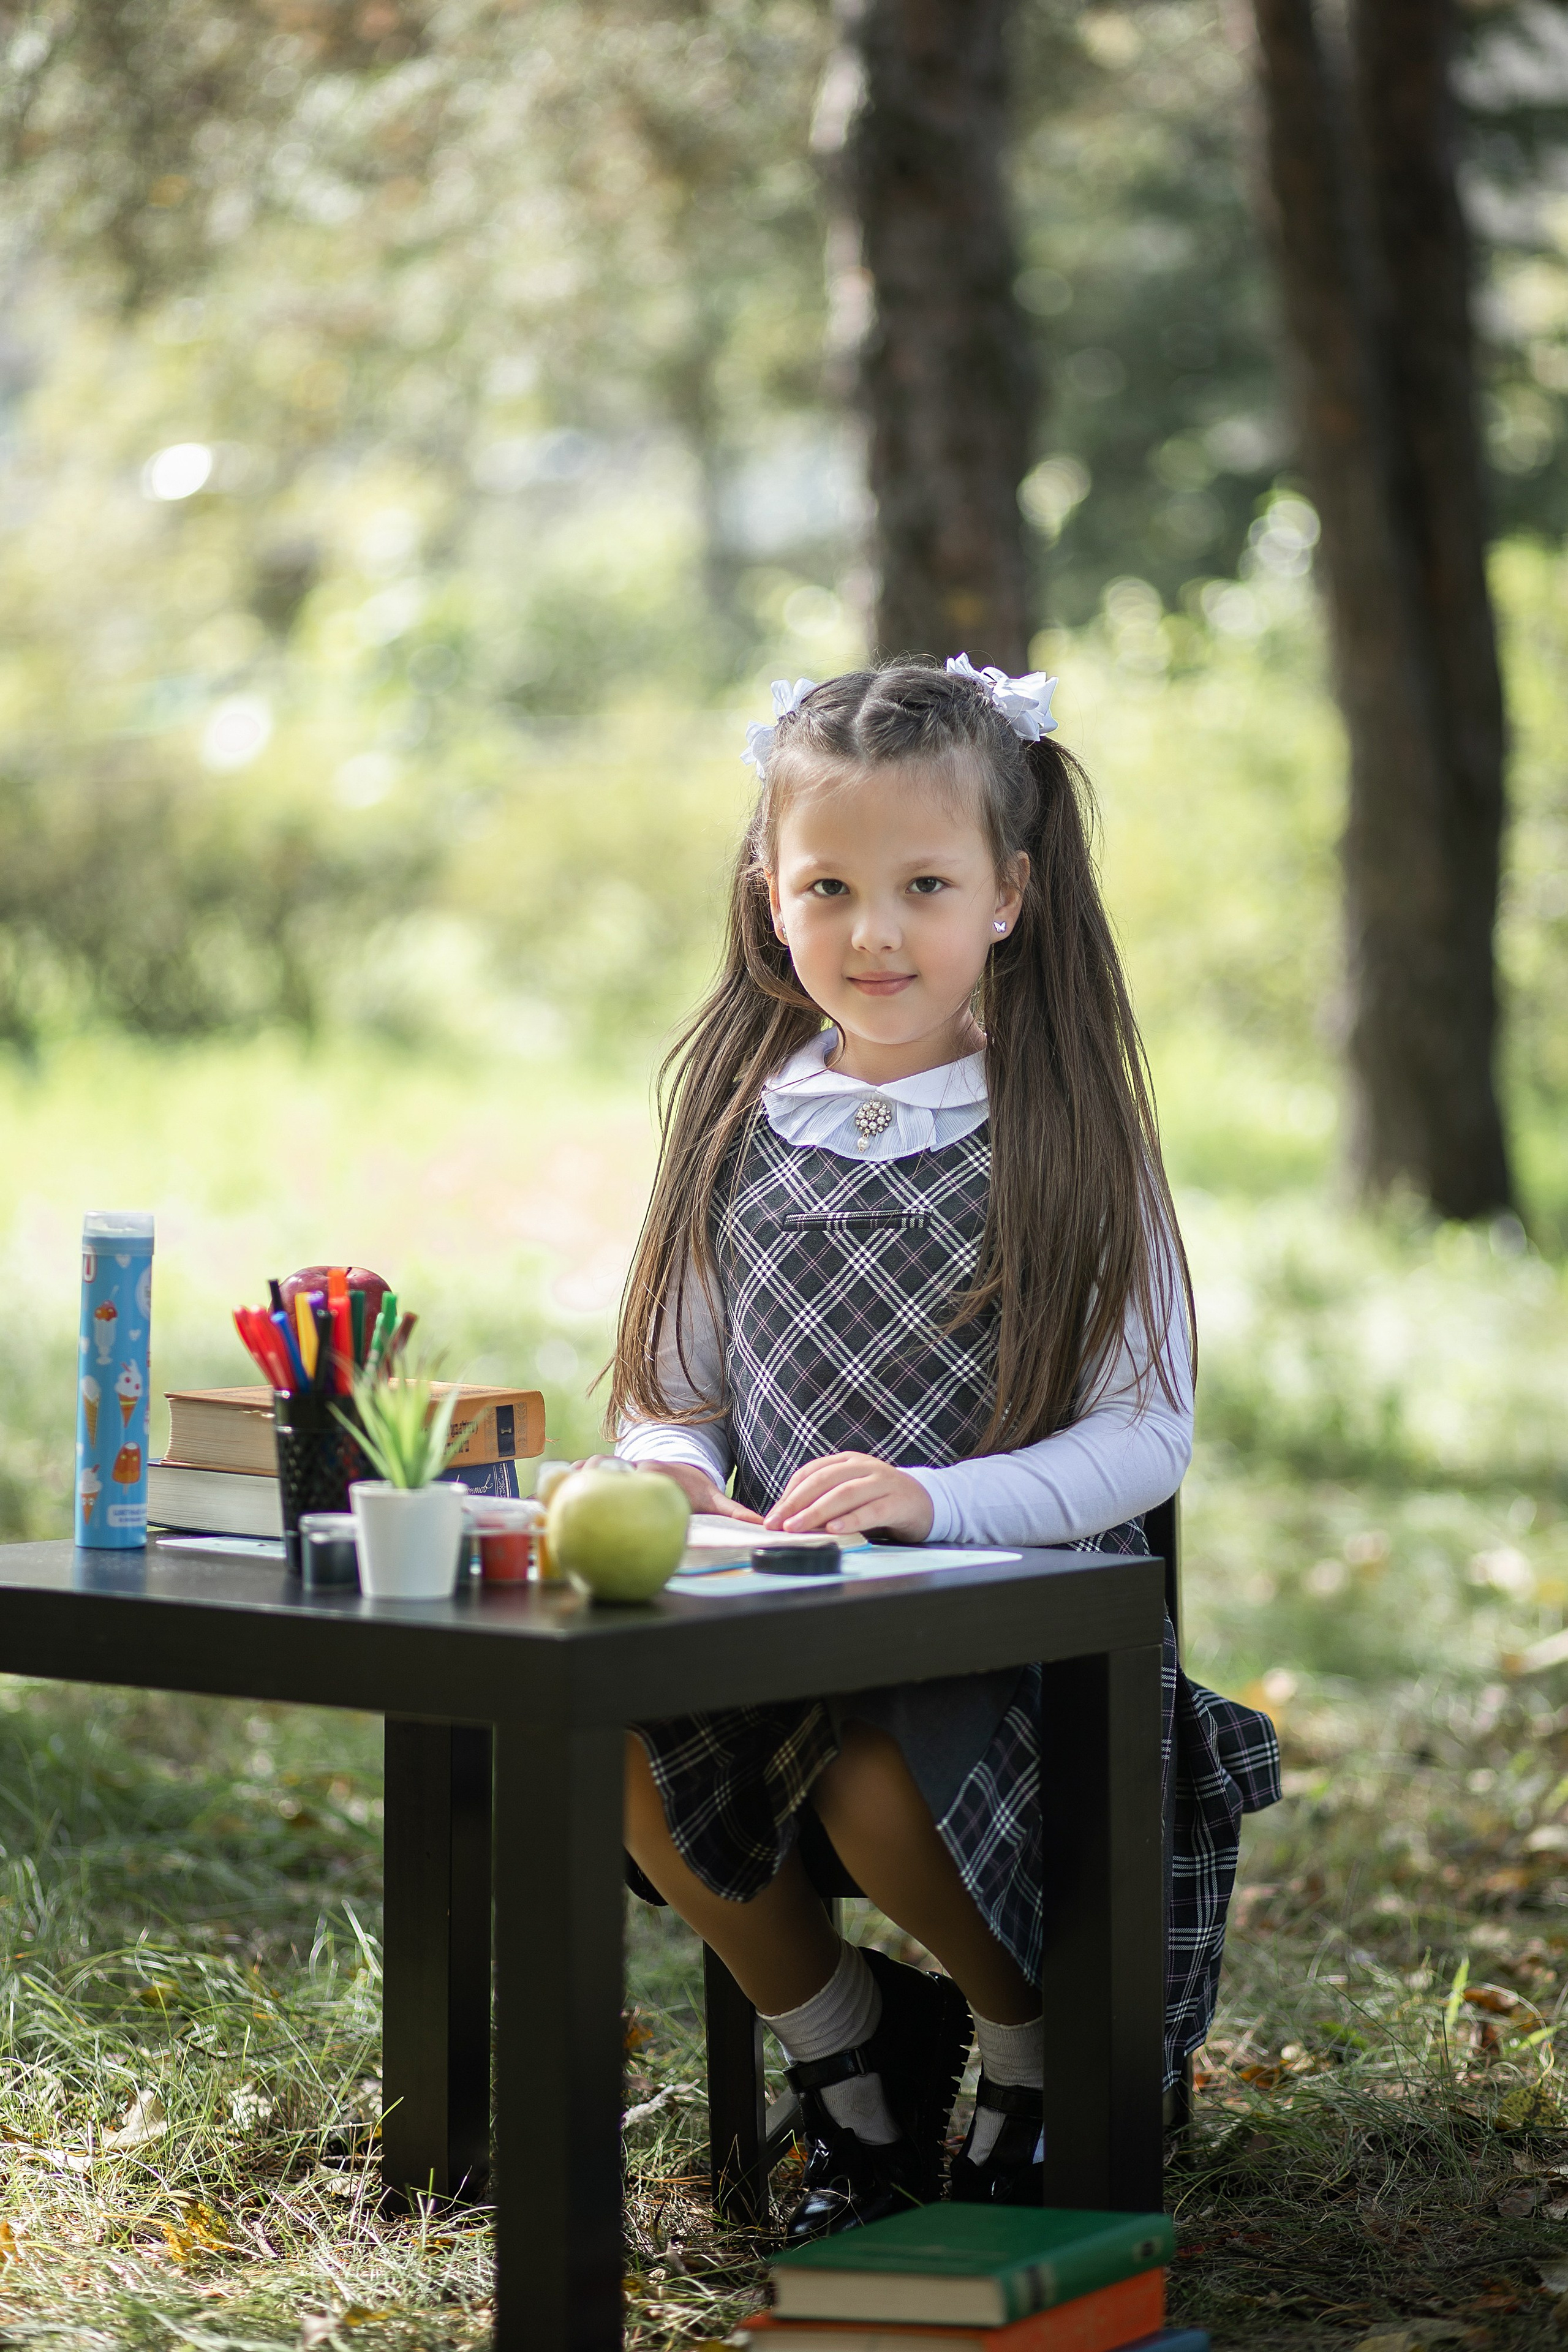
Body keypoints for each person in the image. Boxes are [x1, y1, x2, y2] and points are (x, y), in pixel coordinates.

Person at [611, 658, 1278, 2241]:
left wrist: (932, 1503)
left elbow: (1146, 1433)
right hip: (784, 1622)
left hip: (1018, 1642)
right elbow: (669, 1392)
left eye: (924, 885)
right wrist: (670, 1470)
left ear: (1008, 895)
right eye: (828, 887)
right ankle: (855, 2061)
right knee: (615, 1746)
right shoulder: (732, 1119)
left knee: (871, 1773)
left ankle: (1035, 2055)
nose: (875, 933)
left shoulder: (1066, 1129)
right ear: (768, 892)